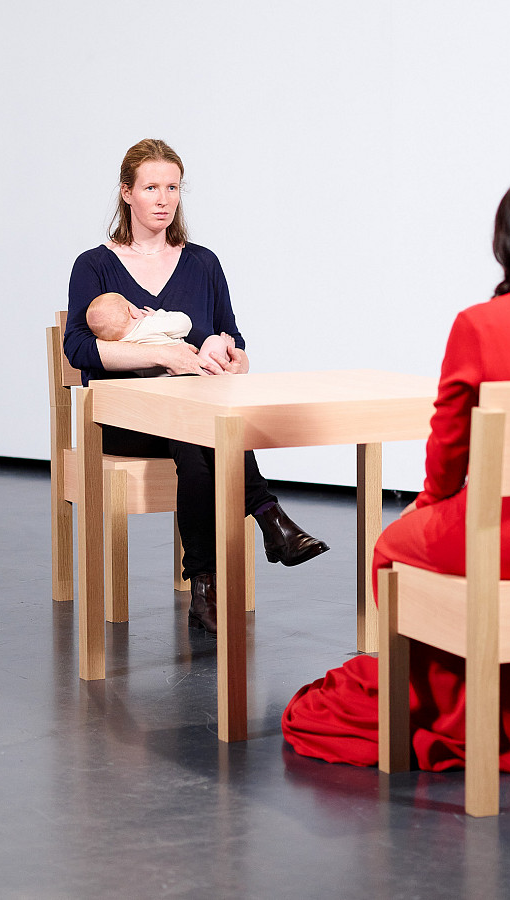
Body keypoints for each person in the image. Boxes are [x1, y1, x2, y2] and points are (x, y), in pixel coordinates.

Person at [282, 177, 510, 773]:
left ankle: (453, 710)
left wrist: (428, 505)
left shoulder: (482, 324)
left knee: (392, 547)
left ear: (507, 243)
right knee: (444, 542)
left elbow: (449, 448)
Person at [64, 138, 329, 634]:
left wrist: (227, 355)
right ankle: (269, 518)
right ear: (126, 193)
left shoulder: (203, 263)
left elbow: (236, 342)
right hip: (124, 422)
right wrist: (163, 354)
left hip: (190, 419)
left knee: (196, 433)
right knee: (201, 430)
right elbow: (77, 349)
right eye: (150, 187)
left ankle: (203, 582)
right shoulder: (94, 265)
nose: (163, 199)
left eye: (172, 187)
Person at [85, 291, 236, 375]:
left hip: (160, 385)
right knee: (215, 340)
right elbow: (184, 323)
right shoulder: (148, 324)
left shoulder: (120, 346)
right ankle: (217, 368)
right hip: (192, 373)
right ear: (132, 311)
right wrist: (158, 315)